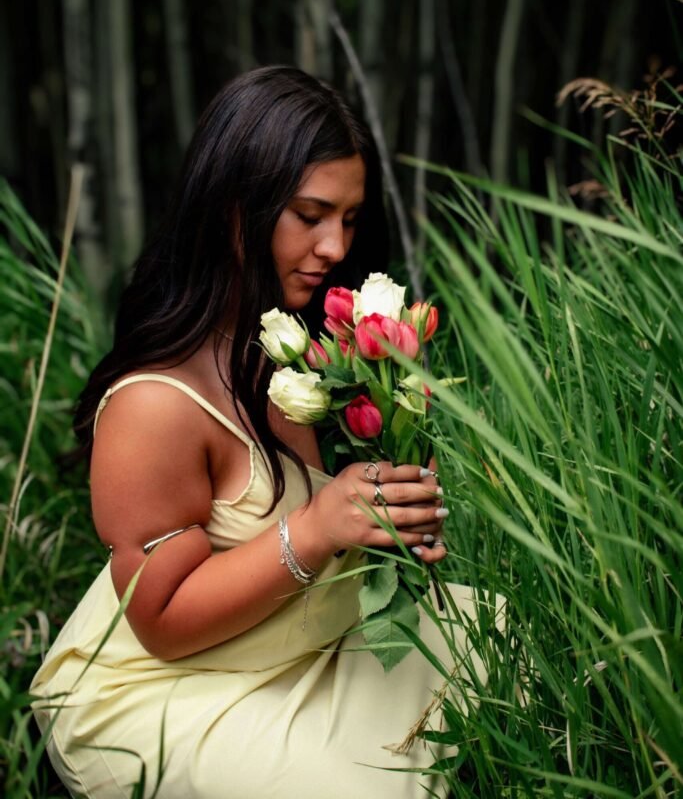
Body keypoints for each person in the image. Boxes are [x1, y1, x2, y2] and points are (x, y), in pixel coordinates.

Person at [31, 66, 490, 799]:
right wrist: (315, 528)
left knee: (508, 644)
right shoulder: (155, 404)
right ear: (233, 209)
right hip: (168, 688)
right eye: (310, 216)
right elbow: (162, 623)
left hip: (289, 644)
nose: (336, 246)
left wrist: (389, 512)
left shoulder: (290, 351)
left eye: (347, 217)